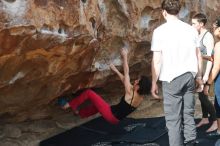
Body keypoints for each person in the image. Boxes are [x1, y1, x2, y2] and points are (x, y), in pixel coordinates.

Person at [151, 0, 203, 146]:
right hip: (189, 77)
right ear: (179, 12)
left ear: (164, 12)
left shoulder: (159, 31)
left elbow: (157, 60)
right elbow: (198, 55)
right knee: (188, 114)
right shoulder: (191, 30)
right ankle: (191, 142)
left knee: (173, 120)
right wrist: (199, 77)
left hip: (171, 79)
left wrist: (154, 82)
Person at [58, 48, 151, 124]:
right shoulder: (139, 97)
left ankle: (67, 105)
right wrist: (116, 71)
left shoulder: (130, 92)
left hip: (110, 115)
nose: (135, 81)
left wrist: (125, 56)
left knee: (89, 93)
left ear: (138, 87)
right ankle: (80, 113)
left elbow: (127, 73)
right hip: (116, 119)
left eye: (137, 81)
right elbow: (125, 80)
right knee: (98, 105)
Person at [191, 13, 217, 132]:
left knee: (203, 97)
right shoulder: (197, 34)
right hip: (199, 72)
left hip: (206, 71)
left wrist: (206, 76)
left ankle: (216, 120)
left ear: (201, 24)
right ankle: (205, 118)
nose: (192, 26)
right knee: (201, 96)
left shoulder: (208, 36)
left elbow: (211, 58)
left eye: (194, 23)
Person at [204, 17, 220, 137]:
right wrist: (205, 57)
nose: (213, 29)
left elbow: (216, 68)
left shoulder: (219, 45)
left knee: (219, 106)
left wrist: (208, 84)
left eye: (214, 27)